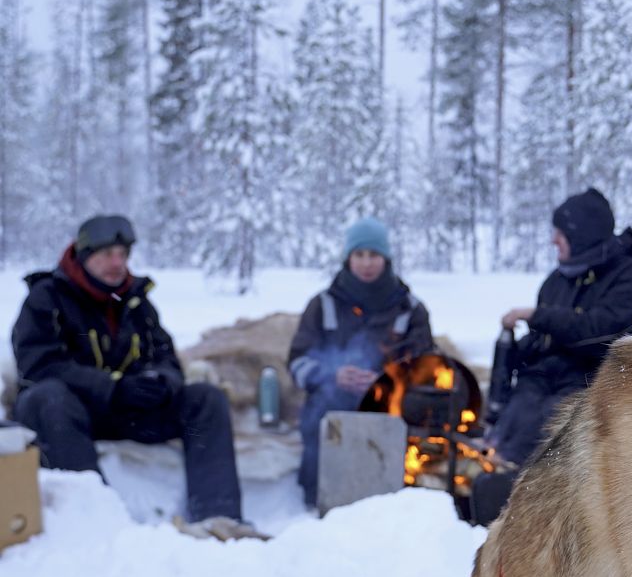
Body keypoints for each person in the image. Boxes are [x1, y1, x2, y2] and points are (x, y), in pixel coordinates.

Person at [12, 215, 258, 539]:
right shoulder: (47, 298)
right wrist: (111, 388)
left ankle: (218, 517)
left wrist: (160, 382)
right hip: (73, 415)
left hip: (129, 412)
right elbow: (38, 364)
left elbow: (167, 357)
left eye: (122, 254)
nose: (117, 263)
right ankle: (93, 522)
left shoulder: (137, 301)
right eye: (106, 255)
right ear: (84, 257)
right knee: (46, 398)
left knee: (204, 398)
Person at [472, 188, 632, 523]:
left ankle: (528, 505)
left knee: (550, 423)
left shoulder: (630, 277)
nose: (554, 241)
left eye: (561, 234)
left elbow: (601, 330)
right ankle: (491, 486)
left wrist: (538, 316)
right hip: (543, 379)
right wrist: (517, 349)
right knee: (511, 423)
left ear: (581, 234)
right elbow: (545, 339)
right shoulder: (556, 280)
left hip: (594, 381)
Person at [288, 217, 434, 506]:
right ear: (348, 258)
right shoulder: (323, 304)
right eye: (360, 255)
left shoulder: (411, 309)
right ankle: (319, 498)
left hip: (394, 405)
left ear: (386, 258)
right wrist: (332, 375)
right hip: (332, 405)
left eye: (374, 255)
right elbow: (296, 363)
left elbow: (427, 367)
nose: (367, 263)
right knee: (322, 414)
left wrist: (390, 380)